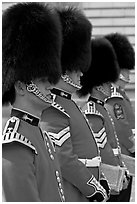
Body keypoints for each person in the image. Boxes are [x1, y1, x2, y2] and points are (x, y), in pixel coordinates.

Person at [41, 7, 110, 202]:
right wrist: (92, 187)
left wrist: (100, 177)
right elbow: (63, 159)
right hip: (72, 192)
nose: (81, 73)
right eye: (76, 69)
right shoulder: (52, 106)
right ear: (63, 70)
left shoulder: (70, 104)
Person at [2, 3, 65, 202]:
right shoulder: (17, 144)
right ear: (20, 86)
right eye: (42, 80)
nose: (50, 86)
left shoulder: (41, 135)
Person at [77, 37, 132, 202]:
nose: (111, 86)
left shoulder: (101, 108)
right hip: (109, 176)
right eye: (108, 83)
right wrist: (116, 172)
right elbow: (103, 150)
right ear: (98, 86)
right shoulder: (93, 113)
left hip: (118, 171)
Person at [104, 33, 135, 157]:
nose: (128, 74)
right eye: (126, 70)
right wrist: (133, 147)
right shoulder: (113, 96)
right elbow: (121, 128)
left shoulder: (120, 93)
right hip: (125, 153)